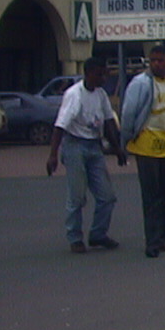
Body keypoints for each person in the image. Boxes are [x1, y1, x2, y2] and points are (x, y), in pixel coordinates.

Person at [45, 57, 126, 253]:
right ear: (88, 73)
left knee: (107, 196)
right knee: (77, 196)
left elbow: (108, 122)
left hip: (94, 146)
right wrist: (53, 155)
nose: (104, 77)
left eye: (105, 73)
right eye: (100, 74)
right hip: (75, 145)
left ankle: (98, 234)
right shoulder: (74, 95)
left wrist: (117, 149)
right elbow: (60, 126)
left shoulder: (100, 95)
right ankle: (75, 237)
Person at [120, 45, 165, 258]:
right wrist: (125, 139)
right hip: (146, 146)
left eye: (160, 60)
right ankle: (152, 241)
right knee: (152, 196)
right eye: (153, 60)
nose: (156, 64)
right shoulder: (140, 84)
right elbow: (129, 112)